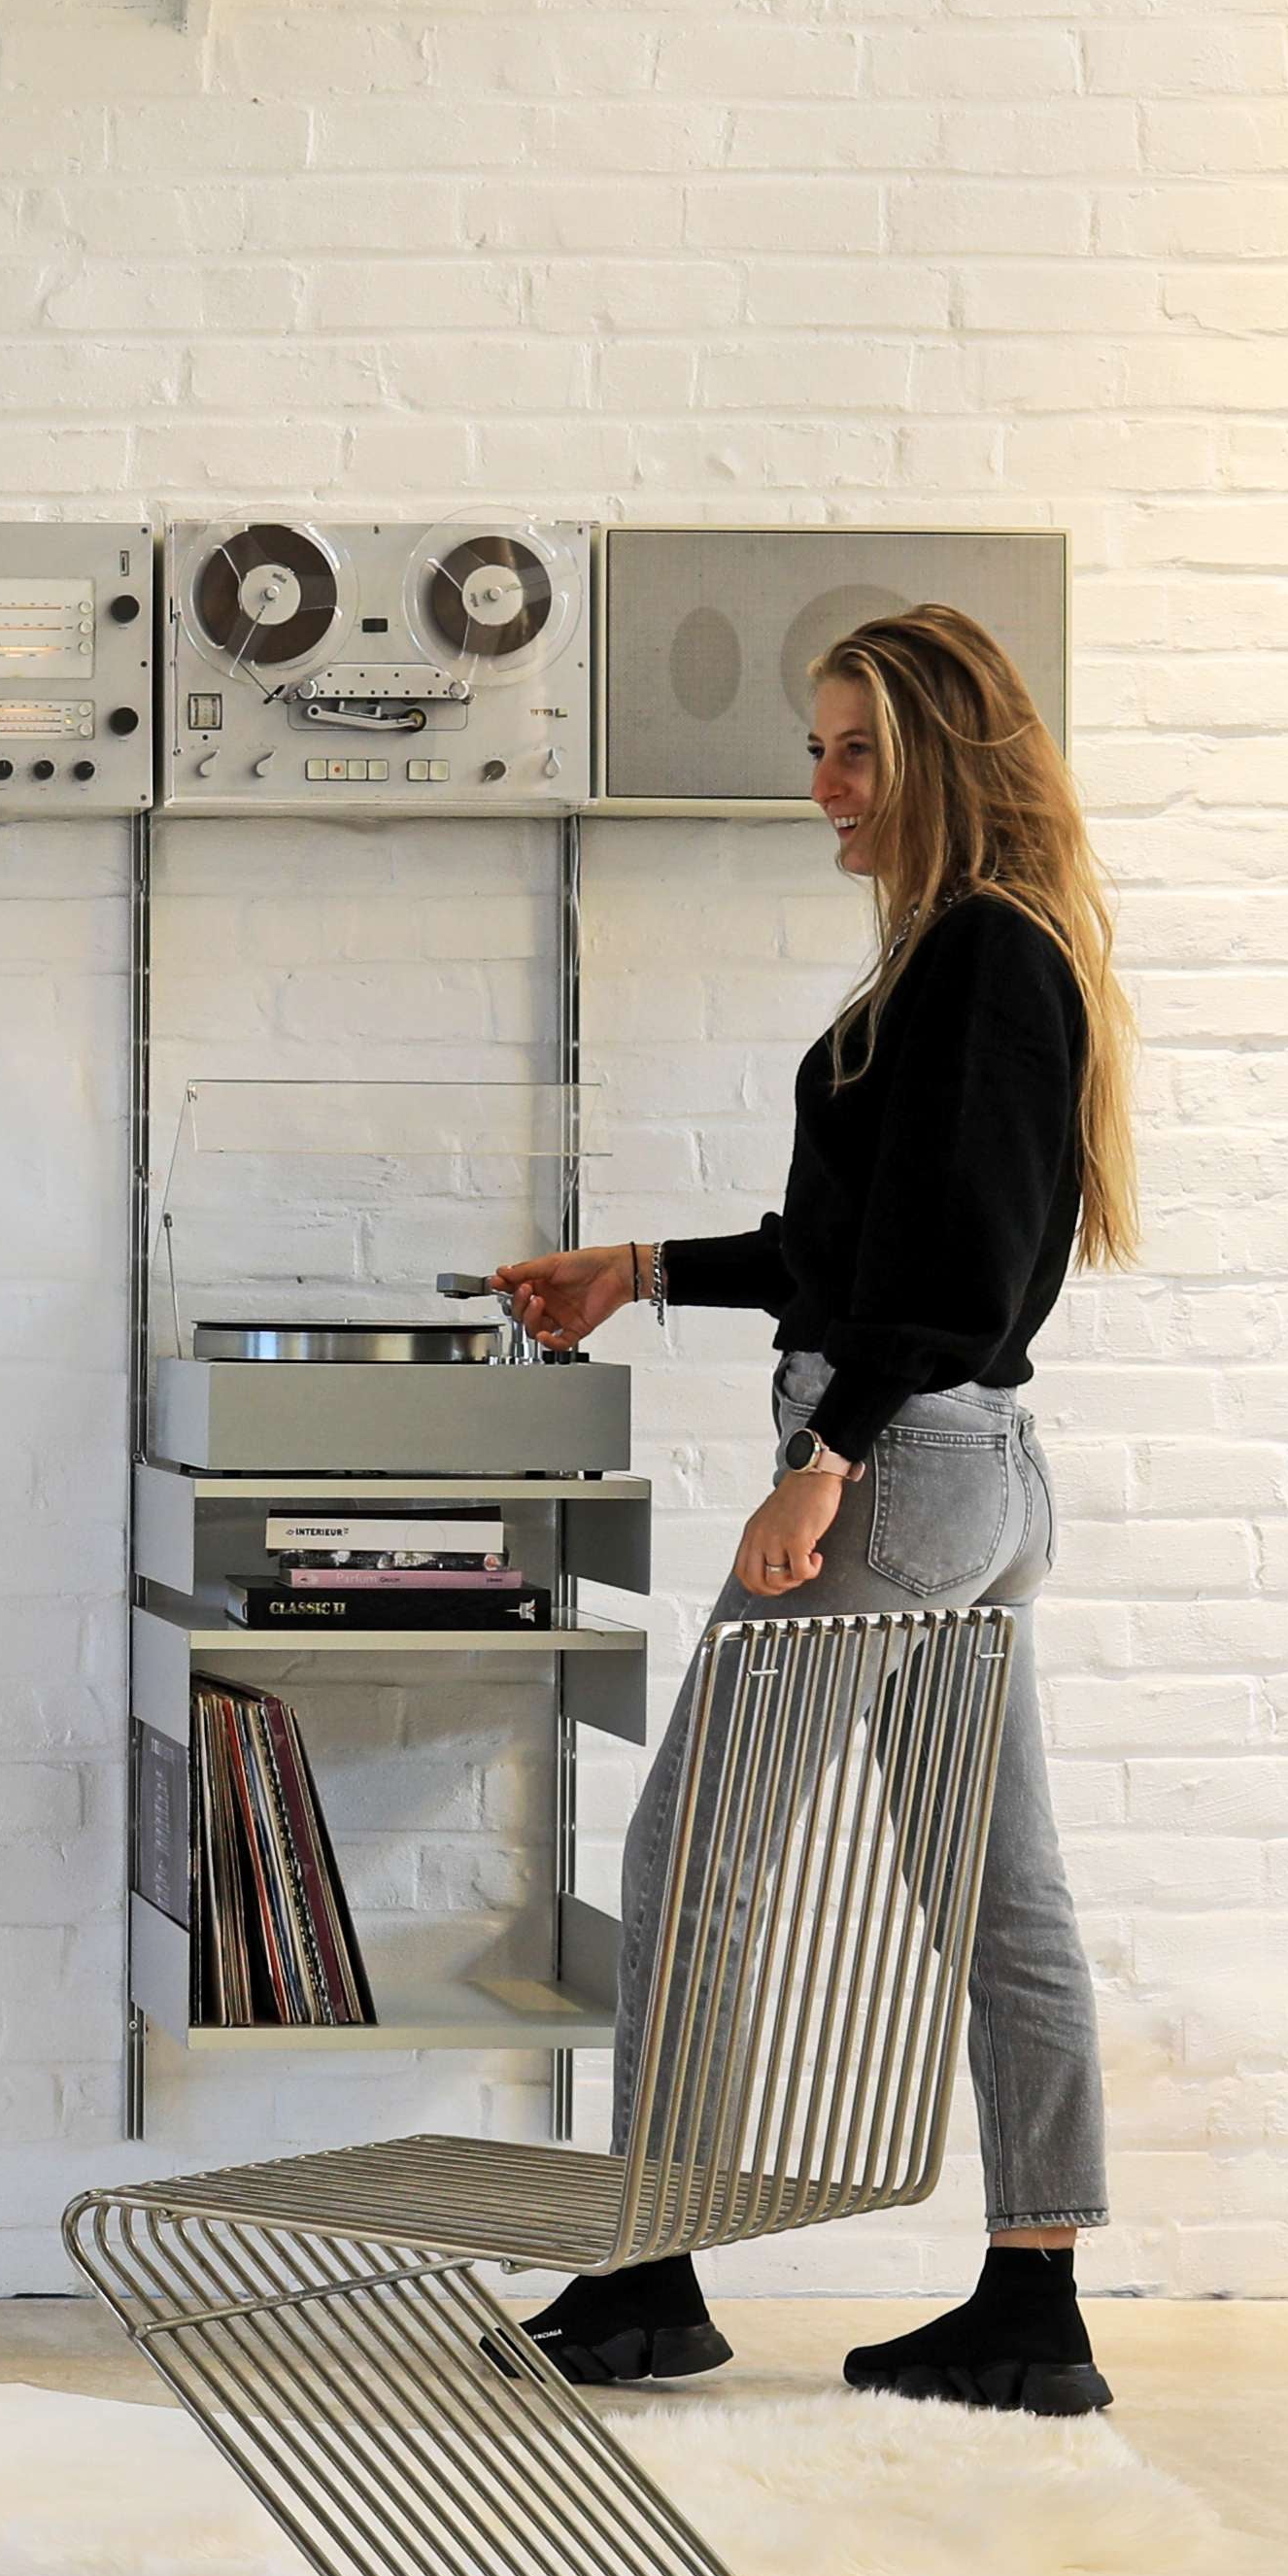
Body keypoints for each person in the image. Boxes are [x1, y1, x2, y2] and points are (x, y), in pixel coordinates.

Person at [490, 606, 1140, 2416]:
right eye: (819, 749)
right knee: (998, 1893)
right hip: (970, 1479)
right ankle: (1031, 2308)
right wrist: (638, 1270)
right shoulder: (971, 952)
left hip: (904, 1469)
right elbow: (854, 1249)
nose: (826, 785)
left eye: (859, 751)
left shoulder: (982, 955)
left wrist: (825, 1459)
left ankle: (647, 2275)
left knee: (692, 1854)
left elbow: (955, 1279)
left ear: (943, 761)